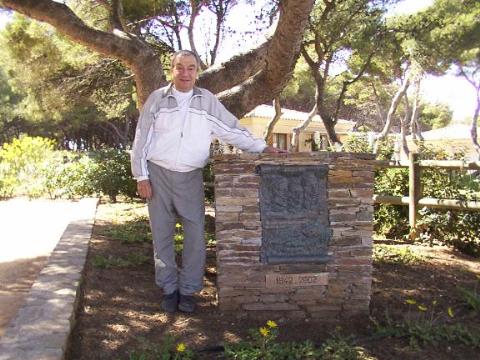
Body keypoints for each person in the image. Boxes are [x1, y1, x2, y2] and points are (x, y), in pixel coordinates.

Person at [131, 49, 282, 314]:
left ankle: (188, 290)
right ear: (172, 70)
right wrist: (141, 175)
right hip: (157, 174)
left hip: (190, 176)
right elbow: (141, 139)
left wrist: (262, 148)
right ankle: (169, 289)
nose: (185, 73)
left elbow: (231, 129)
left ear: (197, 71)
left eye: (191, 68)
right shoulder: (156, 99)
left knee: (195, 235)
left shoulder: (207, 101)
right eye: (180, 67)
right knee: (162, 234)